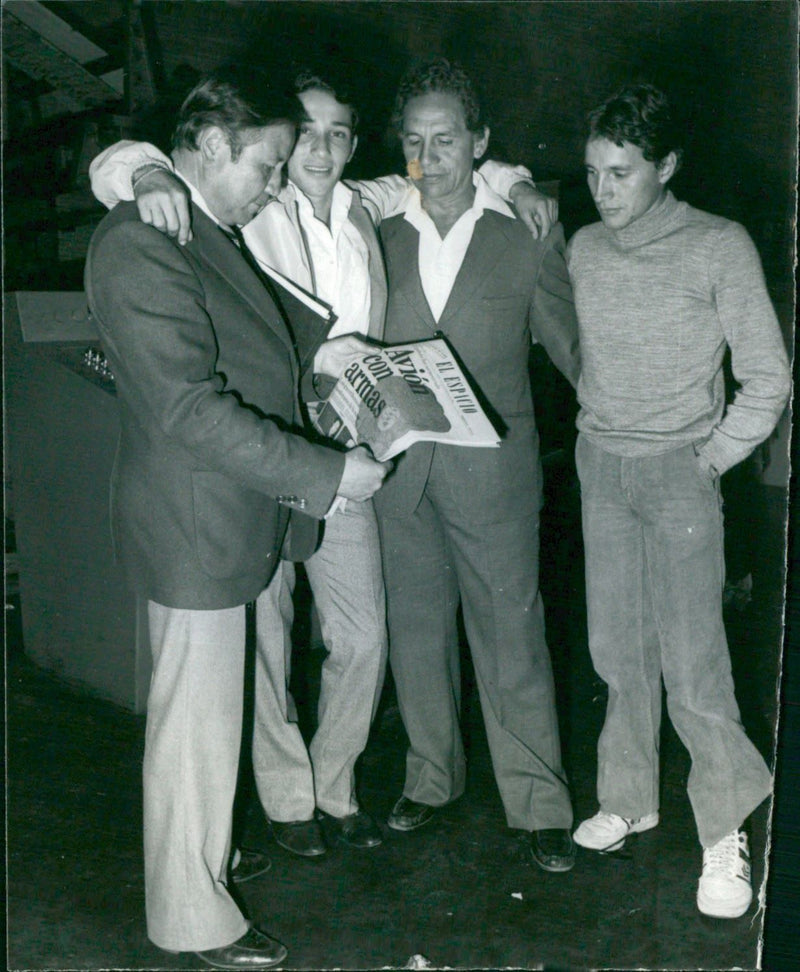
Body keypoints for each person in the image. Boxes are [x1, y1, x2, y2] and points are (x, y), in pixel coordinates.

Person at [88, 70, 557, 859]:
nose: (320, 149)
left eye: (341, 132)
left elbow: (450, 164)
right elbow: (132, 170)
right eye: (304, 135)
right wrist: (144, 169)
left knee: (363, 635)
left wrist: (515, 178)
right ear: (274, 140)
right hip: (256, 465)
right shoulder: (235, 208)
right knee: (262, 648)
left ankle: (335, 787)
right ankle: (288, 802)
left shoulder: (370, 207)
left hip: (349, 459)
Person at [84, 70, 389, 969]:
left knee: (210, 729)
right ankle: (191, 918)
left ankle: (201, 875)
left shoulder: (202, 227)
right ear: (211, 147)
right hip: (194, 524)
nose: (275, 182)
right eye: (267, 163)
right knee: (192, 735)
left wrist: (333, 374)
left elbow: (252, 344)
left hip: (226, 516)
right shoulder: (141, 242)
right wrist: (330, 472)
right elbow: (188, 410)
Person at [566, 83, 791, 919]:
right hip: (602, 467)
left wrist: (714, 457)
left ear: (666, 165)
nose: (602, 191)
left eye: (621, 172)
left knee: (695, 664)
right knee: (616, 650)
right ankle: (630, 797)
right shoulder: (585, 247)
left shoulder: (718, 246)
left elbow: (768, 377)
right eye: (592, 172)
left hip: (678, 473)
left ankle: (723, 835)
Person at [372, 57, 580, 873]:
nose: (431, 156)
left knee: (512, 636)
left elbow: (571, 350)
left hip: (495, 475)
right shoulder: (375, 236)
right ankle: (431, 778)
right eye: (416, 141)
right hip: (402, 474)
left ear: (481, 144)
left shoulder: (525, 235)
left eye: (447, 138)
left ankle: (538, 802)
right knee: (417, 636)